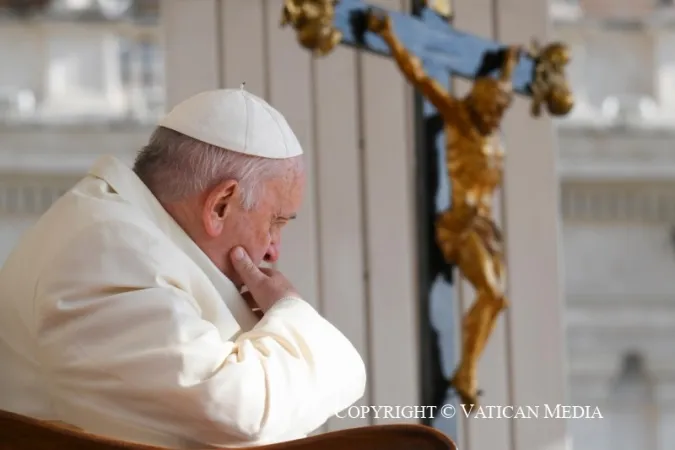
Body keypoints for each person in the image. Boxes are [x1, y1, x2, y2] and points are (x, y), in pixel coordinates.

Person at [0, 87, 367, 448]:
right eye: (274, 222)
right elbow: (239, 412)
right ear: (220, 204)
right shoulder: (105, 249)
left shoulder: (121, 233)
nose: (273, 250)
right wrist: (291, 312)